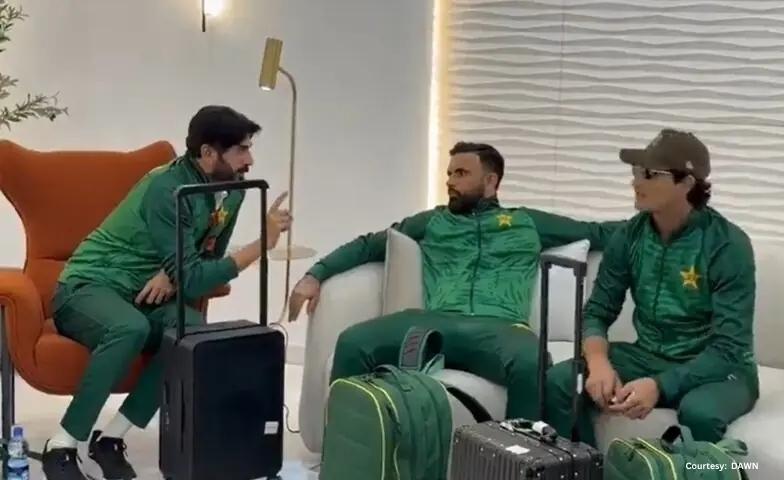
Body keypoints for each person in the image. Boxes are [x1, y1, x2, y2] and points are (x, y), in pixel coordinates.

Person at [287, 141, 624, 422]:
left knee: (531, 362)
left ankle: (517, 462)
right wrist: (315, 275)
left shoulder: (526, 222)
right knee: (353, 342)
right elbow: (369, 245)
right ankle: (347, 454)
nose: (450, 181)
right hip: (432, 322)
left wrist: (654, 218)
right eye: (449, 173)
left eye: (461, 173)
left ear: (490, 181)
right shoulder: (433, 221)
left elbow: (597, 233)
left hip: (501, 327)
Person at [42, 105, 292, 480]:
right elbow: (195, 277)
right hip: (89, 286)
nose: (249, 160)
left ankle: (111, 438)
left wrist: (171, 274)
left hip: (144, 295)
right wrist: (261, 245)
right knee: (130, 328)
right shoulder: (167, 188)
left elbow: (208, 258)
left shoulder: (232, 192)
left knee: (190, 332)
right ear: (208, 153)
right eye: (241, 150)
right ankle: (61, 444)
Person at [544, 128, 759, 446]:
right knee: (561, 380)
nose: (636, 182)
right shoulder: (629, 236)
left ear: (687, 183)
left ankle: (706, 469)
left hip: (718, 367)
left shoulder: (728, 245)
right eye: (636, 171)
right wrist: (598, 362)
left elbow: (729, 346)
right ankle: (584, 466)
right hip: (649, 356)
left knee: (699, 413)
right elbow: (598, 310)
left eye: (649, 174)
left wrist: (660, 385)